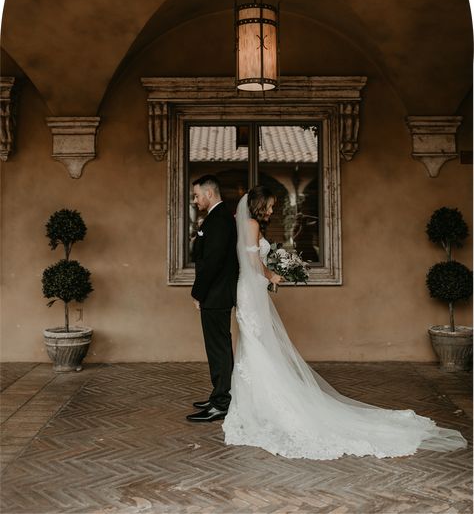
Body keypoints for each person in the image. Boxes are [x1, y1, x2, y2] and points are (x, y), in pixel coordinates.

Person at [222, 186, 467, 459]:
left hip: (248, 289)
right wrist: (272, 276)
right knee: (257, 344)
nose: (271, 210)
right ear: (257, 205)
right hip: (252, 286)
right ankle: (268, 406)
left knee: (255, 343)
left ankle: (256, 405)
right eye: (268, 205)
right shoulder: (252, 223)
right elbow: (254, 262)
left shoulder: (242, 223)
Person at [186, 175, 239, 423]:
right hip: (216, 294)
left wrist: (198, 292)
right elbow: (201, 253)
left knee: (218, 349)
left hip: (216, 295)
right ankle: (219, 395)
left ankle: (221, 403)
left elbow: (213, 263)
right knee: (218, 348)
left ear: (209, 193)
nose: (195, 200)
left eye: (197, 196)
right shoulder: (216, 218)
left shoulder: (220, 220)